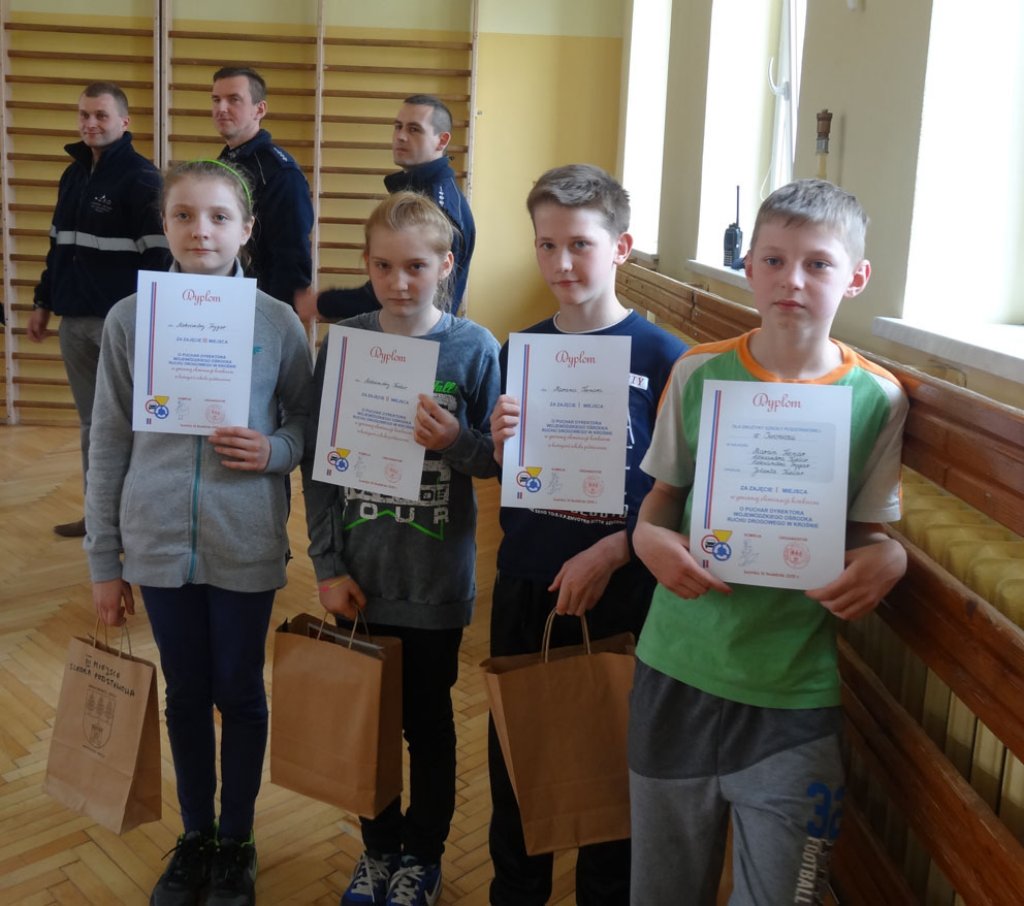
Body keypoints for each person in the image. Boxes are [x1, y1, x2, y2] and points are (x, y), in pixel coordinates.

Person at [628, 179, 909, 905]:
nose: (793, 280)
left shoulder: (877, 397)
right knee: (662, 891)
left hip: (794, 691)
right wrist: (648, 541)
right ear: (748, 267)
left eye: (818, 263)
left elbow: (868, 531)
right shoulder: (699, 372)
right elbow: (659, 504)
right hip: (677, 672)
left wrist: (892, 556)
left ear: (856, 278)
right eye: (775, 261)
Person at [85, 159, 312, 906]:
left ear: (247, 229)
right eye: (184, 215)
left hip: (243, 539)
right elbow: (108, 440)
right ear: (165, 225)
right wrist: (104, 559)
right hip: (155, 541)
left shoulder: (277, 322)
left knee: (240, 692)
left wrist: (273, 450)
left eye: (219, 217)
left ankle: (237, 839)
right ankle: (195, 836)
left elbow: (306, 422)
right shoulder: (129, 319)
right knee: (185, 694)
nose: (200, 230)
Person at [486, 164, 687, 906]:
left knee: (613, 770)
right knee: (519, 765)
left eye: (580, 244)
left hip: (624, 589)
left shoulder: (665, 357)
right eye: (547, 245)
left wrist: (615, 549)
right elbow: (517, 474)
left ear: (621, 247)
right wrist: (501, 446)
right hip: (529, 578)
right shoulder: (521, 349)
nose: (561, 263)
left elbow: (680, 494)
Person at [302, 191, 500, 906]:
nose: (399, 281)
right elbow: (319, 465)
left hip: (434, 582)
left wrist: (458, 440)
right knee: (371, 726)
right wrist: (327, 566)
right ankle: (379, 850)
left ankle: (423, 855)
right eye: (384, 266)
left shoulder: (475, 348)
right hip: (361, 578)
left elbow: (498, 462)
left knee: (428, 724)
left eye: (416, 266)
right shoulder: (343, 343)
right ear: (366, 265)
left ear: (446, 265)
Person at [29, 81, 170, 537]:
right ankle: (100, 519)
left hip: (122, 326)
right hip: (74, 321)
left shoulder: (143, 178)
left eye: (101, 115)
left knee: (130, 426)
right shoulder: (72, 175)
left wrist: (146, 321)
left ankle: (137, 521)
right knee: (93, 425)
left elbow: (160, 258)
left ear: (124, 122)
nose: (90, 123)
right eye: (84, 115)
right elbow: (58, 247)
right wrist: (43, 302)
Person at [296, 94, 475, 323]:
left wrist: (322, 303)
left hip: (418, 338)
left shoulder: (435, 206)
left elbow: (396, 293)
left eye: (414, 129)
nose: (401, 136)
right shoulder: (425, 193)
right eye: (398, 126)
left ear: (442, 141)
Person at [213, 66, 314, 309]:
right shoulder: (222, 163)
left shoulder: (280, 173)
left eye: (233, 99)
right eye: (216, 99)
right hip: (220, 300)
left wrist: (275, 319)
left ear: (259, 109)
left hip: (257, 307)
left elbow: (292, 259)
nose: (221, 108)